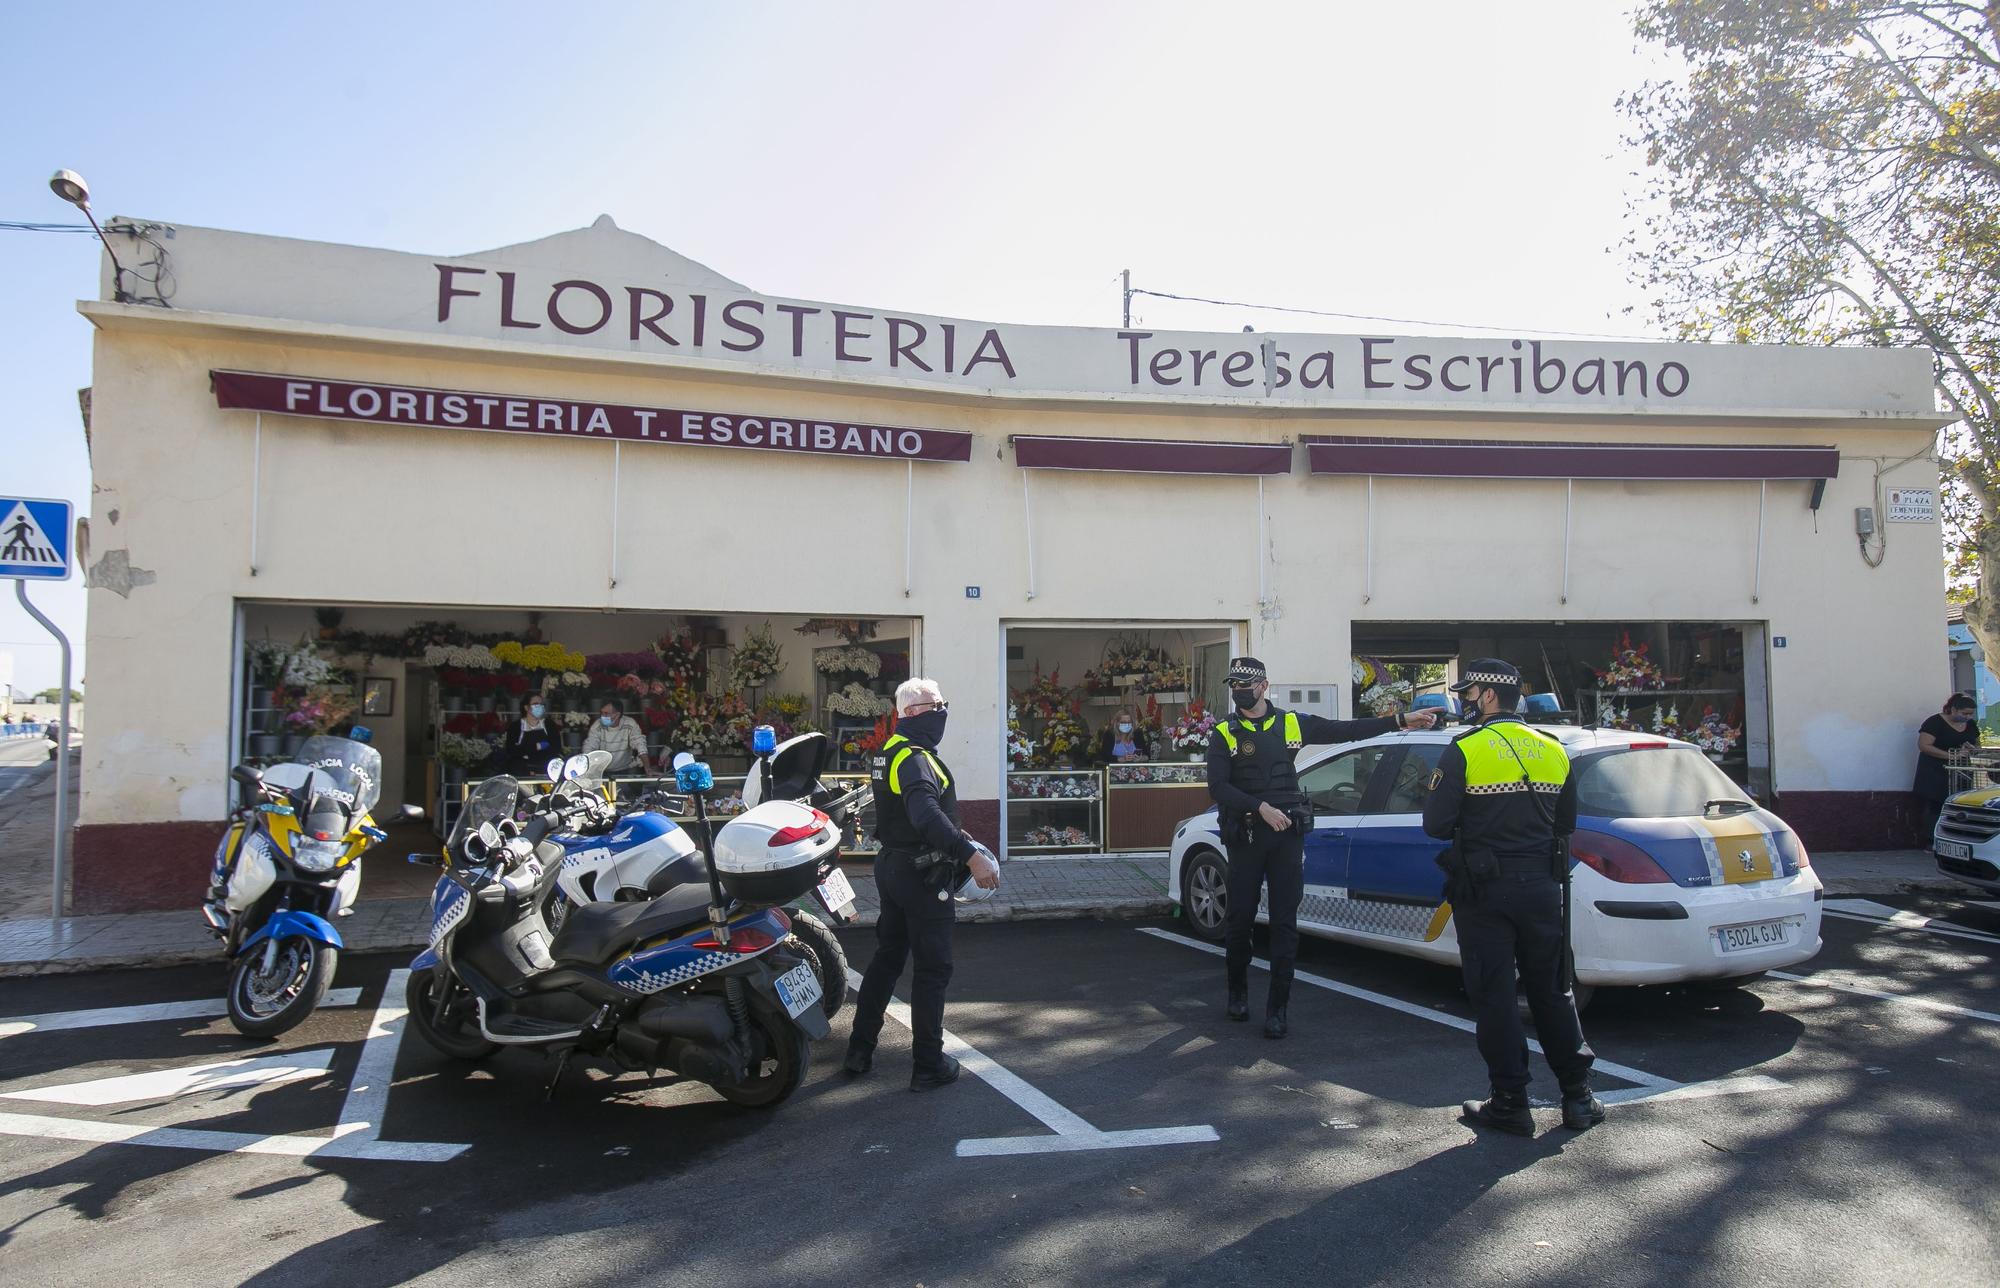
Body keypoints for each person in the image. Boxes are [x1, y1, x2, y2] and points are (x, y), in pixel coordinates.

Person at [1208, 656, 1441, 1038]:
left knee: (1285, 922)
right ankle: (1237, 995)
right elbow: (1218, 787)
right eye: (1233, 685)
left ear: (1264, 686)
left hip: (1285, 836)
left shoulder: (1291, 724)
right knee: (1239, 919)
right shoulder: (1225, 732)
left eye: (1245, 684)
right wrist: (1260, 808)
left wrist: (1400, 721)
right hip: (1248, 835)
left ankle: (1277, 1010)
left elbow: (1346, 730)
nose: (1239, 691)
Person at [1423, 657, 1601, 1136]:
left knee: (1496, 995)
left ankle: (1510, 1102)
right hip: (1542, 886)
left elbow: (1435, 825)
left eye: (1467, 693)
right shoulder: (1553, 748)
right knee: (1553, 991)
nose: (1463, 701)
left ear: (1487, 695)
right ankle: (1578, 1098)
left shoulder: (1466, 749)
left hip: (1484, 891)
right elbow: (1565, 825)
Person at [845, 677, 1001, 1090]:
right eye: (936, 705)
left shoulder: (889, 752)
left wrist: (964, 841)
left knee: (888, 958)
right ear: (911, 713)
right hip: (920, 874)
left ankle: (859, 1050)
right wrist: (969, 856)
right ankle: (928, 1064)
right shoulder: (914, 759)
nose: (943, 712)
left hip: (893, 867)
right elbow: (926, 816)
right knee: (933, 969)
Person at [1913, 692, 1981, 839]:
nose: (1968, 717)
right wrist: (1952, 756)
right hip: (1935, 771)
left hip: (1961, 771)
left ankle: (1958, 837)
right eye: (1965, 714)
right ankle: (1932, 840)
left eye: (1971, 714)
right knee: (1935, 806)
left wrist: (1972, 748)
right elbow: (1924, 745)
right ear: (1953, 709)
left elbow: (1976, 744)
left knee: (1961, 803)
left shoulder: (1970, 725)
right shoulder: (1934, 722)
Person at [582, 699, 650, 776]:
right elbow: (589, 745)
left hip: (625, 770)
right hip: (602, 771)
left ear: (617, 715)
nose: (602, 716)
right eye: (601, 713)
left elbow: (640, 744)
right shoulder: (597, 725)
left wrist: (648, 769)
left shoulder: (630, 724)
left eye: (606, 713)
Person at [504, 694, 565, 776]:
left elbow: (555, 748)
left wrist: (528, 751)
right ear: (526, 707)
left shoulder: (549, 725)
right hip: (522, 767)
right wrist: (537, 746)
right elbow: (512, 750)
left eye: (542, 704)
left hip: (545, 765)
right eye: (536, 704)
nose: (539, 707)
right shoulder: (516, 726)